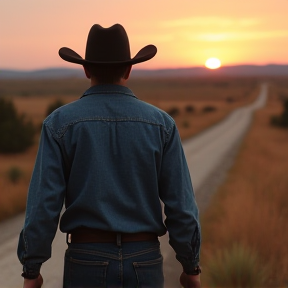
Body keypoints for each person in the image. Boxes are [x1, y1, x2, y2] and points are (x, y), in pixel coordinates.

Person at [17, 23, 201, 288]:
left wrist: (31, 270)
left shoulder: (58, 124)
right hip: (145, 260)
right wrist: (190, 265)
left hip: (86, 261)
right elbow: (181, 206)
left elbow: (43, 206)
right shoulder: (162, 124)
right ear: (128, 70)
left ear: (86, 69)